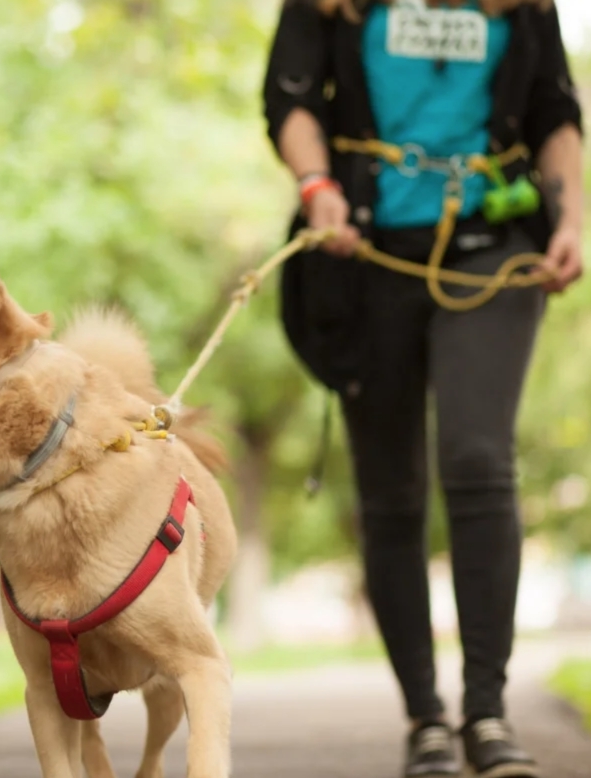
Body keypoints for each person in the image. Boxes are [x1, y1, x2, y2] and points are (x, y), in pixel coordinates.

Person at [261, 2, 583, 777]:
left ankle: (486, 711)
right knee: (390, 494)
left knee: (477, 460)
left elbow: (554, 111)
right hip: (363, 249)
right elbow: (290, 100)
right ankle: (425, 720)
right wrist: (316, 187)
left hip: (492, 246)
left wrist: (570, 216)